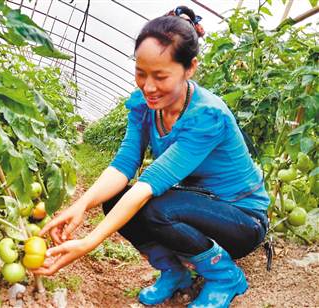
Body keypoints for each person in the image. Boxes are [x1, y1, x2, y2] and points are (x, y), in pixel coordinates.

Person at [32, 6, 269, 308]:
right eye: (141, 73)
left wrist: (89, 242)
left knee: (157, 209)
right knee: (115, 200)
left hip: (241, 219)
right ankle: (174, 273)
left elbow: (148, 185)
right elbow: (124, 164)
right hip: (196, 203)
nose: (148, 86)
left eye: (160, 76)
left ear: (190, 68)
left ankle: (224, 276)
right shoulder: (143, 107)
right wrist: (81, 204)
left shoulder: (207, 116)